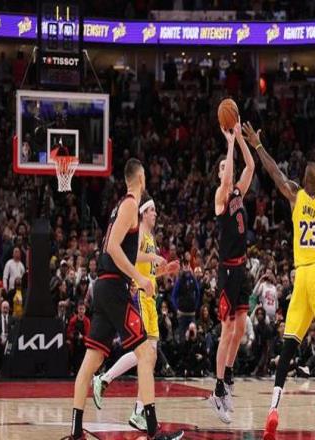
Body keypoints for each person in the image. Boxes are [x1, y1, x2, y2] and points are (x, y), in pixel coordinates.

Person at [241, 121, 315, 437]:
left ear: (303, 180)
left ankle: (272, 409)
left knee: (288, 345)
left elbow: (274, 172)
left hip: (299, 276)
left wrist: (258, 145)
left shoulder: (294, 195)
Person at [66, 159, 183, 440]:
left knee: (92, 360)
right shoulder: (130, 204)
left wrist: (153, 272)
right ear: (141, 178)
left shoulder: (122, 206)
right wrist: (139, 278)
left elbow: (119, 250)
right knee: (147, 354)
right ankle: (153, 430)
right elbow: (111, 247)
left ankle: (76, 431)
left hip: (107, 287)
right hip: (114, 288)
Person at [92, 195, 181, 432]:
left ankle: (137, 410)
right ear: (143, 213)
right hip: (140, 296)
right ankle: (106, 380)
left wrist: (166, 270)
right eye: (152, 210)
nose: (155, 214)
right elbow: (133, 258)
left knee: (150, 356)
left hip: (150, 298)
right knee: (146, 353)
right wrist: (154, 257)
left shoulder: (151, 238)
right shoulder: (140, 232)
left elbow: (150, 272)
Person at [208, 121, 254, 424]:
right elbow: (227, 181)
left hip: (242, 269)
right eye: (223, 168)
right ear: (219, 174)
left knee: (240, 330)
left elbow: (250, 166)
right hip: (226, 272)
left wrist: (240, 138)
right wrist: (228, 144)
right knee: (226, 331)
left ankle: (228, 377)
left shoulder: (238, 192)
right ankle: (217, 390)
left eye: (228, 166)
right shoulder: (220, 196)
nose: (228, 170)